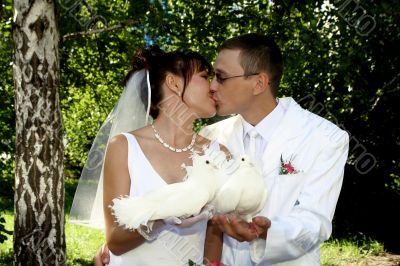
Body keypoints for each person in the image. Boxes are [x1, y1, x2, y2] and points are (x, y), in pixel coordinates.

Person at [95, 33, 349, 266]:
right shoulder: (212, 136)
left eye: (221, 76)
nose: (213, 86)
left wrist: (266, 233)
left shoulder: (324, 138)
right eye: (209, 76)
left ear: (259, 83)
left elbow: (314, 224)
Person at [84, 45, 228, 265]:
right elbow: (115, 240)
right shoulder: (124, 147)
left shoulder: (217, 153)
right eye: (204, 76)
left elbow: (215, 232)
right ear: (174, 83)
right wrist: (162, 215)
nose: (213, 86)